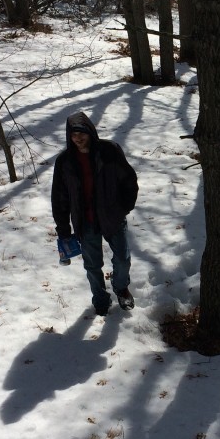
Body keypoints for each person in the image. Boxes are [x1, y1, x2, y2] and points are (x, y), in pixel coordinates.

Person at [51, 112, 139, 316]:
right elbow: (59, 197)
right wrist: (63, 229)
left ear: (90, 131)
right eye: (73, 134)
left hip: (112, 217)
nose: (78, 138)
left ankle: (121, 288)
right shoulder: (65, 162)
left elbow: (128, 180)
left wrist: (124, 207)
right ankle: (100, 298)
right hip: (85, 221)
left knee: (123, 258)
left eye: (81, 132)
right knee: (92, 265)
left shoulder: (109, 151)